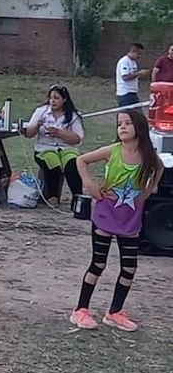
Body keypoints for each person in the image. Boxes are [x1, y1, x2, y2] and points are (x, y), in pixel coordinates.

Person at [69, 111, 164, 333]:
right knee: (98, 263)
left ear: (139, 128)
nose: (122, 127)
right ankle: (81, 309)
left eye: (127, 123)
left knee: (129, 267)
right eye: (119, 124)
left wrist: (148, 191)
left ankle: (114, 312)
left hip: (130, 221)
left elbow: (159, 169)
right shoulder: (112, 151)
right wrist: (89, 184)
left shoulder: (148, 156)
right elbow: (80, 160)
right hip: (105, 217)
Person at [23, 85, 85, 206]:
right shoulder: (41, 111)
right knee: (53, 165)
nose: (53, 101)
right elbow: (28, 134)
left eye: (56, 98)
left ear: (64, 99)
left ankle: (77, 198)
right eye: (51, 98)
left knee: (72, 165)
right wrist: (36, 126)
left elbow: (77, 138)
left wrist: (59, 133)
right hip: (45, 148)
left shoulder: (73, 115)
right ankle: (53, 196)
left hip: (67, 148)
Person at [115, 43, 149, 109]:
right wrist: (139, 73)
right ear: (133, 51)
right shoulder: (124, 61)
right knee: (128, 115)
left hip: (132, 92)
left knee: (137, 115)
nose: (139, 56)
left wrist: (140, 74)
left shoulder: (133, 62)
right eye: (138, 54)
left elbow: (133, 75)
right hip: (125, 93)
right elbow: (125, 77)